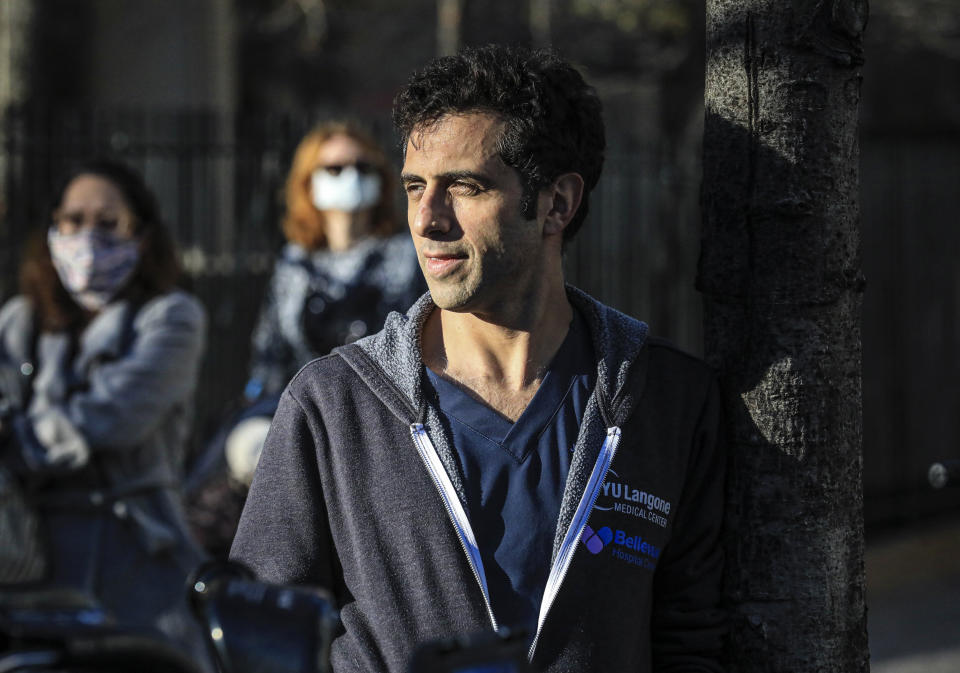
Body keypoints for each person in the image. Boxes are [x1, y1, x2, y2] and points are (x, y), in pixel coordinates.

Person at [231, 44, 726, 673]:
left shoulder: (666, 401)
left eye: (465, 186)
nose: (427, 219)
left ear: (557, 203)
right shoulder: (333, 407)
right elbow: (263, 645)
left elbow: (695, 641)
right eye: (415, 187)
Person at [0, 159, 211, 667]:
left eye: (108, 223)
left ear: (141, 237)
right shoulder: (19, 319)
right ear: (52, 229)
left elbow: (113, 414)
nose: (87, 238)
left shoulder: (173, 316)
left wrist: (17, 442)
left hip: (139, 563)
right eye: (73, 221)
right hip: (29, 560)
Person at [222, 120, 424, 486]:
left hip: (382, 416)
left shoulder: (408, 257)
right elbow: (270, 356)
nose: (350, 176)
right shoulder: (294, 264)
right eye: (334, 168)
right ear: (308, 181)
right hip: (302, 414)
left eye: (362, 167)